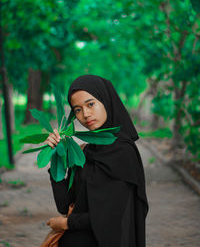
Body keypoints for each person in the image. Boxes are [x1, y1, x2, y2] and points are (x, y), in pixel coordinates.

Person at [44, 75, 149, 247]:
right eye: (77, 109)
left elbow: (110, 216)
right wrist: (57, 156)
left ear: (105, 100)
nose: (85, 114)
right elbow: (64, 205)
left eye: (90, 104)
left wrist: (65, 224)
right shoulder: (85, 151)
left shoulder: (123, 153)